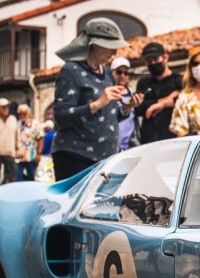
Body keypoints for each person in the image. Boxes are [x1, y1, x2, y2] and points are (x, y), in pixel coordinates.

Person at [51, 17, 142, 180]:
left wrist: (127, 107)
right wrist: (98, 103)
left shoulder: (107, 73)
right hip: (76, 156)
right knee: (79, 206)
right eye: (110, 48)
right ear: (94, 45)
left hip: (105, 159)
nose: (114, 53)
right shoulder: (71, 70)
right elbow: (60, 117)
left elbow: (109, 114)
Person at [134, 41, 182, 144]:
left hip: (172, 138)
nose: (153, 64)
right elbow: (139, 107)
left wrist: (161, 104)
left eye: (156, 59)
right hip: (149, 140)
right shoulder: (143, 83)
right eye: (149, 61)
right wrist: (163, 101)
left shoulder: (178, 81)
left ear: (165, 58)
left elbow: (183, 100)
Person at [111, 57, 137, 150]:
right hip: (111, 145)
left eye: (126, 73)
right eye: (119, 72)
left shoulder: (133, 93)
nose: (122, 76)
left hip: (128, 146)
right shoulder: (107, 94)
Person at [16, 104, 42, 182]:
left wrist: (39, 153)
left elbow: (40, 138)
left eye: (24, 113)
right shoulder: (17, 124)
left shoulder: (35, 124)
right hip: (19, 157)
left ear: (29, 114)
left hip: (31, 155)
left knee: (31, 178)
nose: (22, 116)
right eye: (20, 114)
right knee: (18, 178)